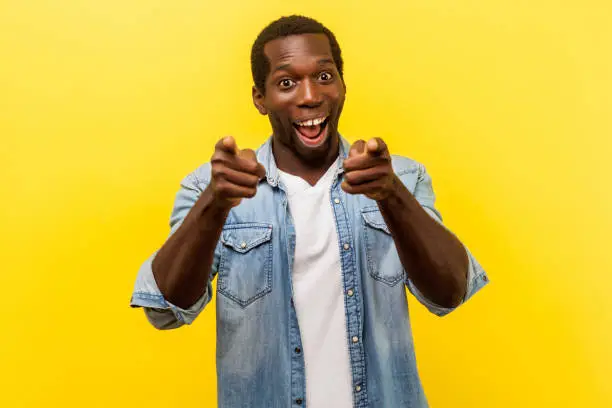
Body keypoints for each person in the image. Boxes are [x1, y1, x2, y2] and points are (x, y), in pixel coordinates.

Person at [130, 14, 489, 408]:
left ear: (343, 85)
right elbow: (164, 308)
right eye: (286, 83)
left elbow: (450, 293)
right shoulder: (213, 187)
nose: (309, 96)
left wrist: (392, 196)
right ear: (260, 99)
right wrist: (213, 207)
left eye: (323, 76)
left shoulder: (400, 178)